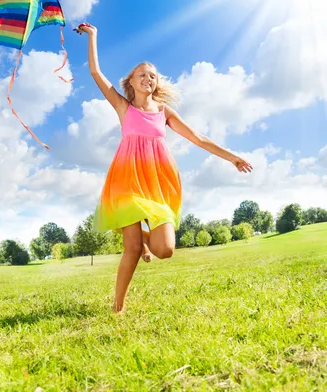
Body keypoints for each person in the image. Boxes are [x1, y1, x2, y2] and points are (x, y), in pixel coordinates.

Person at [75, 22, 253, 314]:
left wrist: (231, 156)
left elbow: (198, 137)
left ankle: (147, 238)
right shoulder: (123, 107)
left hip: (158, 181)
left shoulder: (164, 112)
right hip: (127, 180)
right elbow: (96, 72)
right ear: (130, 82)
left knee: (165, 250)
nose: (148, 78)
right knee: (131, 248)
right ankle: (117, 309)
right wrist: (93, 36)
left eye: (153, 76)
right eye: (142, 74)